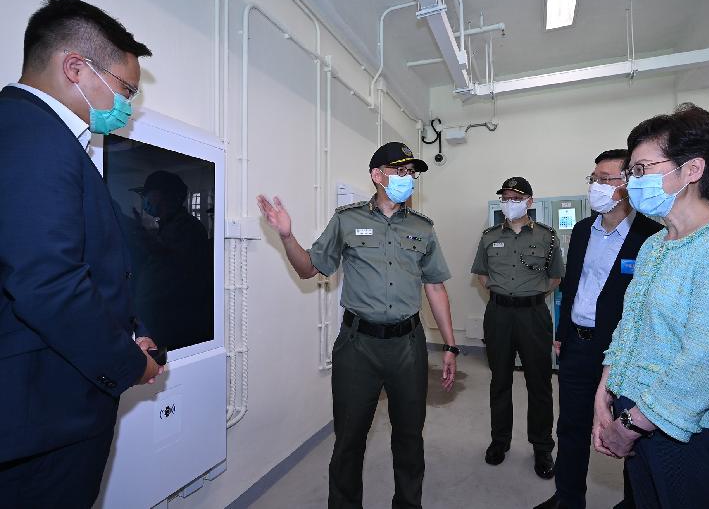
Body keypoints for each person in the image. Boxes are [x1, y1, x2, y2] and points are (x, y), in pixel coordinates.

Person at [0, 0, 164, 507]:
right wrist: (126, 363)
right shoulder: (32, 137)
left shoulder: (40, 138)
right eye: (126, 90)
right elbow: (47, 284)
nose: (128, 106)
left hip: (44, 404)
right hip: (42, 420)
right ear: (76, 67)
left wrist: (125, 334)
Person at [592, 103, 709, 509]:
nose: (629, 183)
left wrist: (629, 425)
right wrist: (605, 392)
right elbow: (630, 328)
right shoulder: (656, 245)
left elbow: (704, 364)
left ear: (692, 170)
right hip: (640, 416)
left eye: (641, 169)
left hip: (700, 434)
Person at [257, 141, 458, 509]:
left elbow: (435, 286)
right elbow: (309, 269)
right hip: (358, 346)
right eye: (400, 171)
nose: (408, 179)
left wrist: (449, 345)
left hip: (408, 346)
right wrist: (286, 236)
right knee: (349, 438)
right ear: (377, 176)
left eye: (411, 173)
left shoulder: (422, 228)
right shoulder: (347, 220)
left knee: (410, 437)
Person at [534, 150, 661, 509]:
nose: (598, 187)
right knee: (571, 427)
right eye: (594, 179)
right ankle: (568, 498)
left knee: (629, 432)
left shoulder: (651, 237)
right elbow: (570, 286)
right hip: (578, 344)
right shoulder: (580, 230)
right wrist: (561, 333)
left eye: (607, 179)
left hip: (623, 353)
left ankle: (635, 502)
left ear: (627, 185)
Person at [471, 177, 564, 479]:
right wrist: (506, 295)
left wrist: (528, 295)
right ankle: (500, 441)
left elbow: (554, 279)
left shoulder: (548, 237)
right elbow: (483, 275)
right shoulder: (488, 237)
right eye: (506, 197)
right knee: (499, 380)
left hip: (533, 315)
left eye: (516, 197)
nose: (509, 202)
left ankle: (542, 447)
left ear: (529, 202)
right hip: (498, 314)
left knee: (539, 383)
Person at [128, 170, 214, 351]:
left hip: (176, 323)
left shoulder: (187, 228)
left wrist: (141, 236)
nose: (145, 201)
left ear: (161, 196)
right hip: (161, 319)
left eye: (147, 194)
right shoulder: (168, 227)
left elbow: (169, 259)